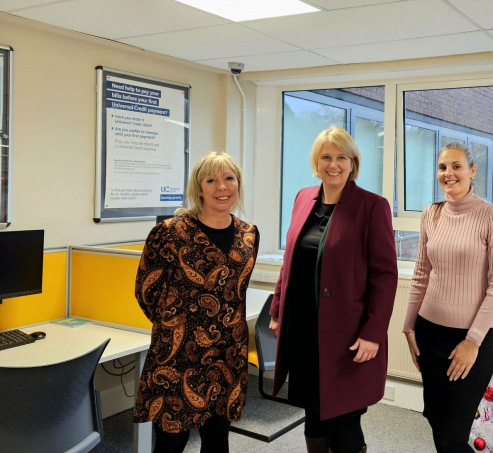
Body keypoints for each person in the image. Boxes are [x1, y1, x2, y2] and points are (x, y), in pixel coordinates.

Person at [268, 126, 397, 453]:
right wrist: (276, 311)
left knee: (343, 420)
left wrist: (373, 332)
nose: (333, 164)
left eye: (342, 157)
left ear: (353, 163)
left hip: (347, 335)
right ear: (316, 161)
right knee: (313, 413)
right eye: (326, 157)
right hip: (305, 331)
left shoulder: (372, 206)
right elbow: (289, 262)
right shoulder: (302, 198)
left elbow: (384, 275)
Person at [134, 152, 260, 453]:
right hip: (177, 355)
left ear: (238, 185)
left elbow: (236, 291)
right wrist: (178, 323)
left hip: (227, 354)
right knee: (172, 440)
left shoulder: (249, 235)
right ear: (199, 188)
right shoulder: (170, 232)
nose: (222, 187)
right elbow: (146, 290)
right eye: (212, 179)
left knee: (217, 438)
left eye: (229, 178)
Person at [403, 142, 493, 453]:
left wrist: (473, 341)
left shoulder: (492, 215)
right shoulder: (431, 215)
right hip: (428, 332)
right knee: (437, 421)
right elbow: (421, 274)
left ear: (472, 171)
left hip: (472, 339)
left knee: (454, 434)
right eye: (442, 167)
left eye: (456, 166)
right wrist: (408, 328)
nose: (448, 173)